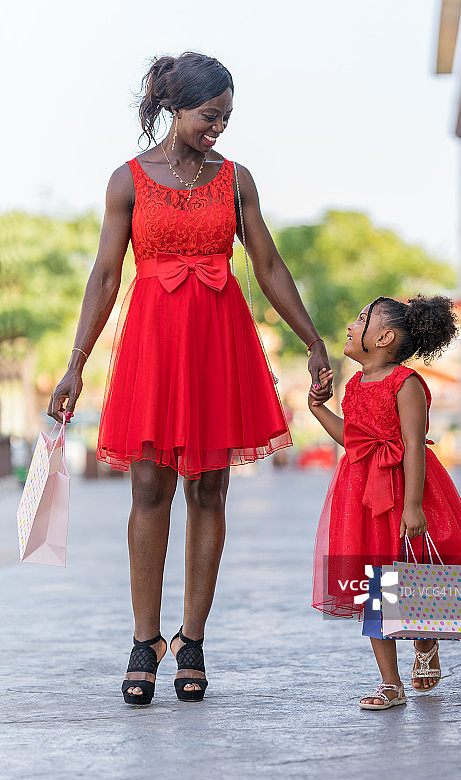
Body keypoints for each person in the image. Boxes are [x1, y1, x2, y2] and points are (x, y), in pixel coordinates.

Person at [48, 52, 331, 705]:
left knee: (209, 489)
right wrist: (76, 363)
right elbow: (107, 276)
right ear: (176, 107)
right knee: (149, 488)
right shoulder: (127, 180)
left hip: (217, 343)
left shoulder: (236, 180)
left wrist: (313, 339)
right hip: (152, 346)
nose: (219, 129)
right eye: (211, 115)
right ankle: (144, 639)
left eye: (227, 118)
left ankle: (192, 640)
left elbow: (269, 265)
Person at [308, 295, 461, 710]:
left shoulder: (406, 384)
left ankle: (426, 644)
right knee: (374, 583)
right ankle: (390, 683)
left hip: (406, 489)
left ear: (384, 337)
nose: (351, 326)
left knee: (411, 573)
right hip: (362, 495)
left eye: (360, 320)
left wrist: (412, 504)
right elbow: (354, 439)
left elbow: (413, 446)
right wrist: (318, 409)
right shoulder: (353, 385)